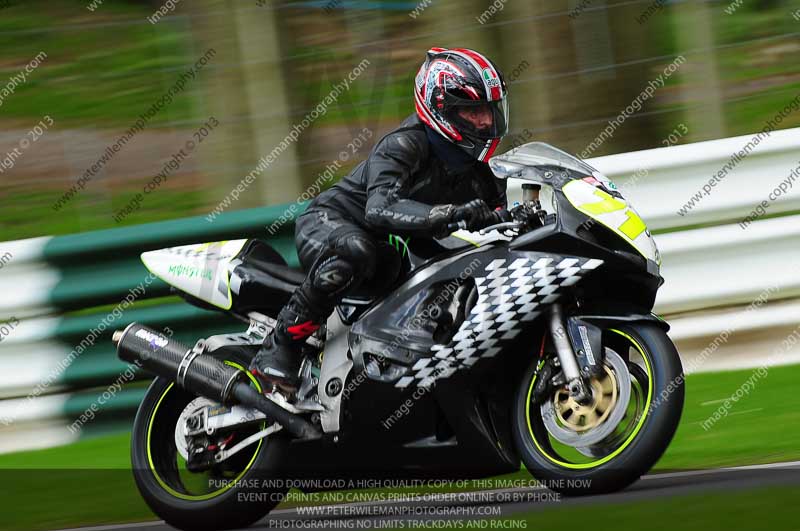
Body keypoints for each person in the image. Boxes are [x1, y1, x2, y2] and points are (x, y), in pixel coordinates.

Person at [250, 47, 511, 387]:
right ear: (442, 108)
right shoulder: (405, 145)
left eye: (489, 110)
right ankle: (279, 346)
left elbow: (500, 220)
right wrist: (449, 213)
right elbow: (380, 208)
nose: (486, 121)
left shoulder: (483, 170)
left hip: (388, 251)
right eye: (474, 111)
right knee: (357, 249)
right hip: (329, 223)